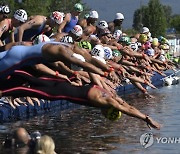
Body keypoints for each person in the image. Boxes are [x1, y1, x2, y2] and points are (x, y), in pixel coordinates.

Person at [0, 70, 160, 130]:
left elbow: (126, 104)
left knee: (32, 79)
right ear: (109, 112)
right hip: (58, 92)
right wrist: (146, 118)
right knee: (26, 91)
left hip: (62, 84)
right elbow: (128, 110)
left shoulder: (110, 93)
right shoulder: (107, 102)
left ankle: (6, 71)